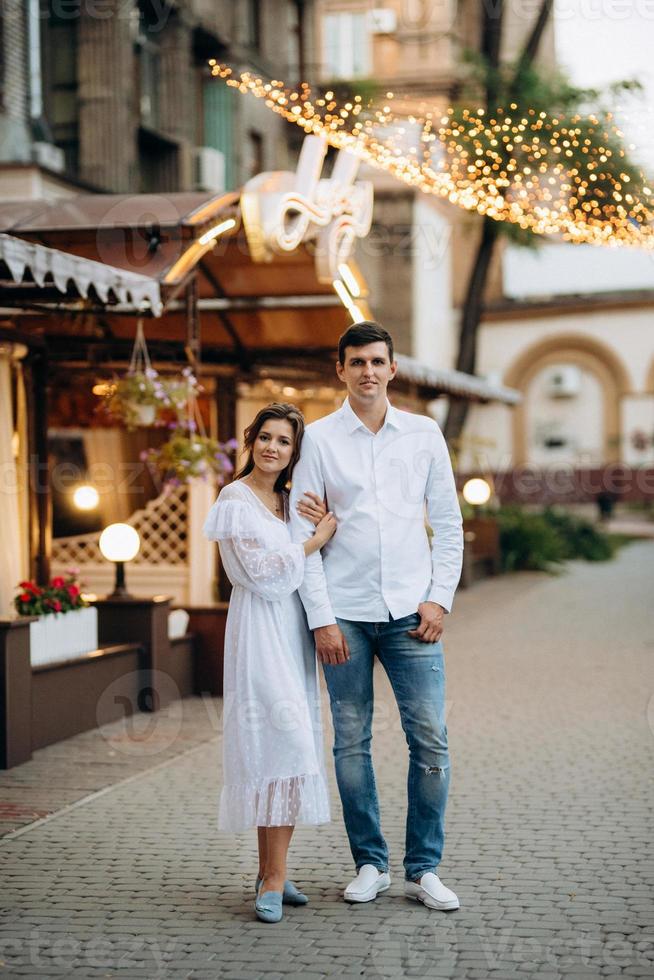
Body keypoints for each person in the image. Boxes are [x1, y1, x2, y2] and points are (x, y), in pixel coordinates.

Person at [289, 322, 464, 912]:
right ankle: (370, 863)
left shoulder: (423, 433)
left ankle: (424, 869)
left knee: (431, 740)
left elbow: (448, 520)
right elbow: (303, 532)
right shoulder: (315, 439)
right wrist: (321, 617)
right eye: (356, 361)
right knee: (350, 743)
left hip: (414, 614)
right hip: (345, 612)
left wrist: (440, 596)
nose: (367, 371)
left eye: (377, 361)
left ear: (393, 369)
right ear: (339, 369)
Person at [202, 403, 336, 924]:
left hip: (292, 634)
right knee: (280, 747)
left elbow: (300, 575)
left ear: (293, 452)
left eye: (283, 441)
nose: (272, 448)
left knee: (286, 752)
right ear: (250, 440)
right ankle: (274, 879)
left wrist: (310, 540)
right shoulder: (234, 500)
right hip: (258, 632)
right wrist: (312, 544)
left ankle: (271, 871)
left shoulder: (288, 502)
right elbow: (256, 576)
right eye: (265, 437)